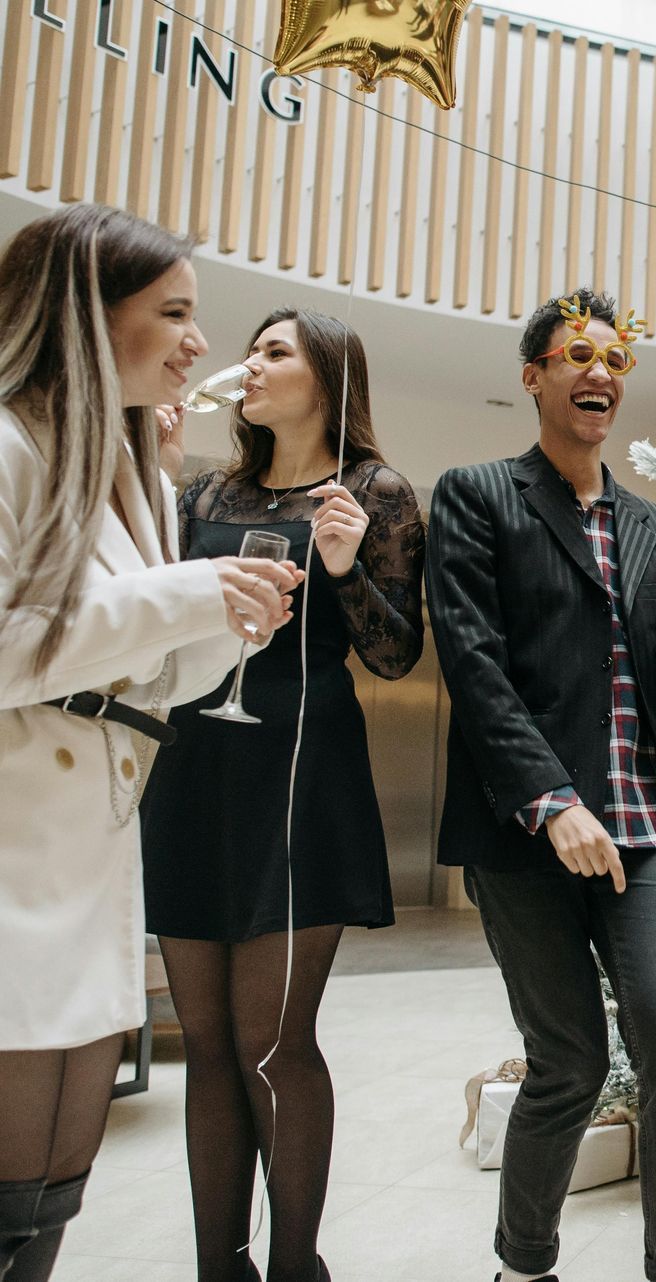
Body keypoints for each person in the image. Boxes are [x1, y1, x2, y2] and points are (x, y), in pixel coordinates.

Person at [0, 204, 300, 1282]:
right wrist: (188, 593)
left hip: (87, 859)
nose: (197, 343)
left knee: (48, 1195)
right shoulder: (5, 444)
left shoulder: (128, 480)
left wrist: (221, 625)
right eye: (173, 311)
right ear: (87, 313)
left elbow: (144, 683)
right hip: (14, 848)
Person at [426, 288, 656, 1282]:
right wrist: (552, 800)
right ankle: (524, 1265)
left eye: (615, 358)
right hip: (525, 831)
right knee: (568, 1063)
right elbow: (474, 670)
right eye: (575, 354)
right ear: (535, 375)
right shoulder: (476, 495)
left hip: (643, 828)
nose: (598, 370)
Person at [139, 308, 424, 1282]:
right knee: (209, 1042)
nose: (249, 363)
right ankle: (220, 1267)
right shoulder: (204, 488)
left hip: (301, 776)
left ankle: (299, 1268)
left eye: (274, 351)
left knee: (270, 1040)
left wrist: (344, 568)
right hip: (192, 771)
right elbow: (145, 608)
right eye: (251, 349)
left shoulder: (375, 491)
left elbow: (396, 656)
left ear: (328, 379)